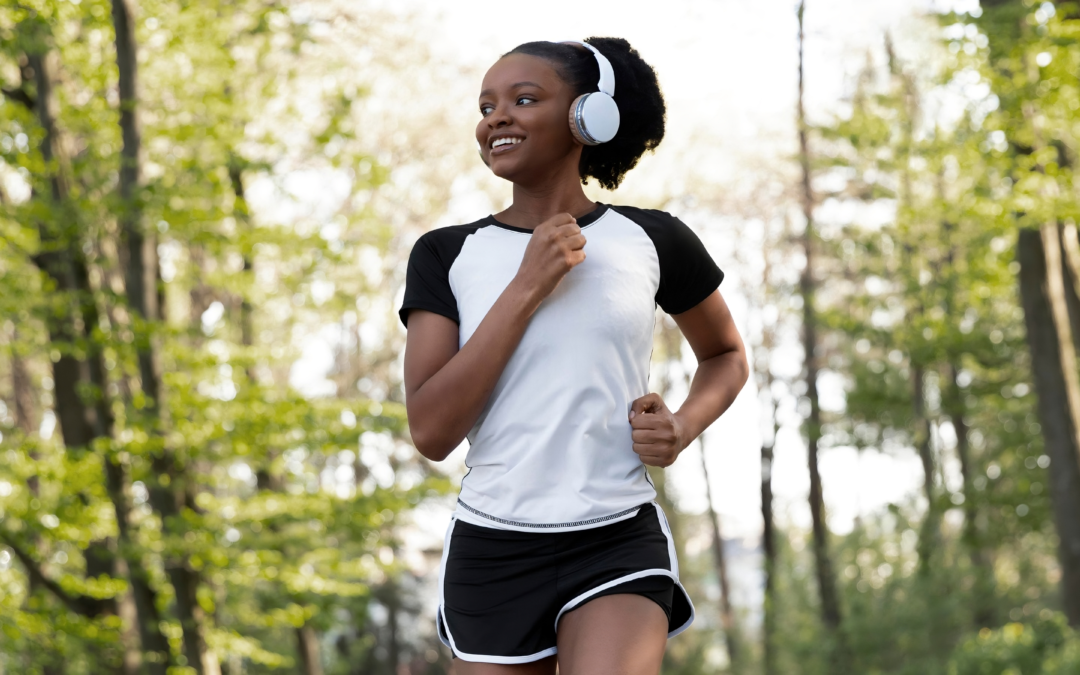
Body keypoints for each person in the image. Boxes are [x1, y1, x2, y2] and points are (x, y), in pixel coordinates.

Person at [398, 37, 748, 675]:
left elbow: (725, 354)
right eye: (486, 106)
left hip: (616, 535)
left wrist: (682, 425)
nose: (495, 117)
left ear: (589, 115)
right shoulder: (444, 254)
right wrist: (527, 286)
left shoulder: (653, 238)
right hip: (492, 545)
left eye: (523, 99)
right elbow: (431, 430)